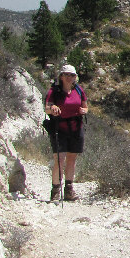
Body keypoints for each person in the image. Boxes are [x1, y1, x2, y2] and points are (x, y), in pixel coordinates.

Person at [44, 64, 88, 201]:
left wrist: (84, 111)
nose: (69, 77)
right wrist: (53, 108)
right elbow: (47, 108)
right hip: (59, 128)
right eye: (66, 74)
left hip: (76, 127)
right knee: (59, 158)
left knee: (71, 159)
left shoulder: (79, 90)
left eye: (72, 75)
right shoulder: (54, 91)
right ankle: (56, 190)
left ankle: (69, 189)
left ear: (75, 77)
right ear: (61, 76)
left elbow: (86, 107)